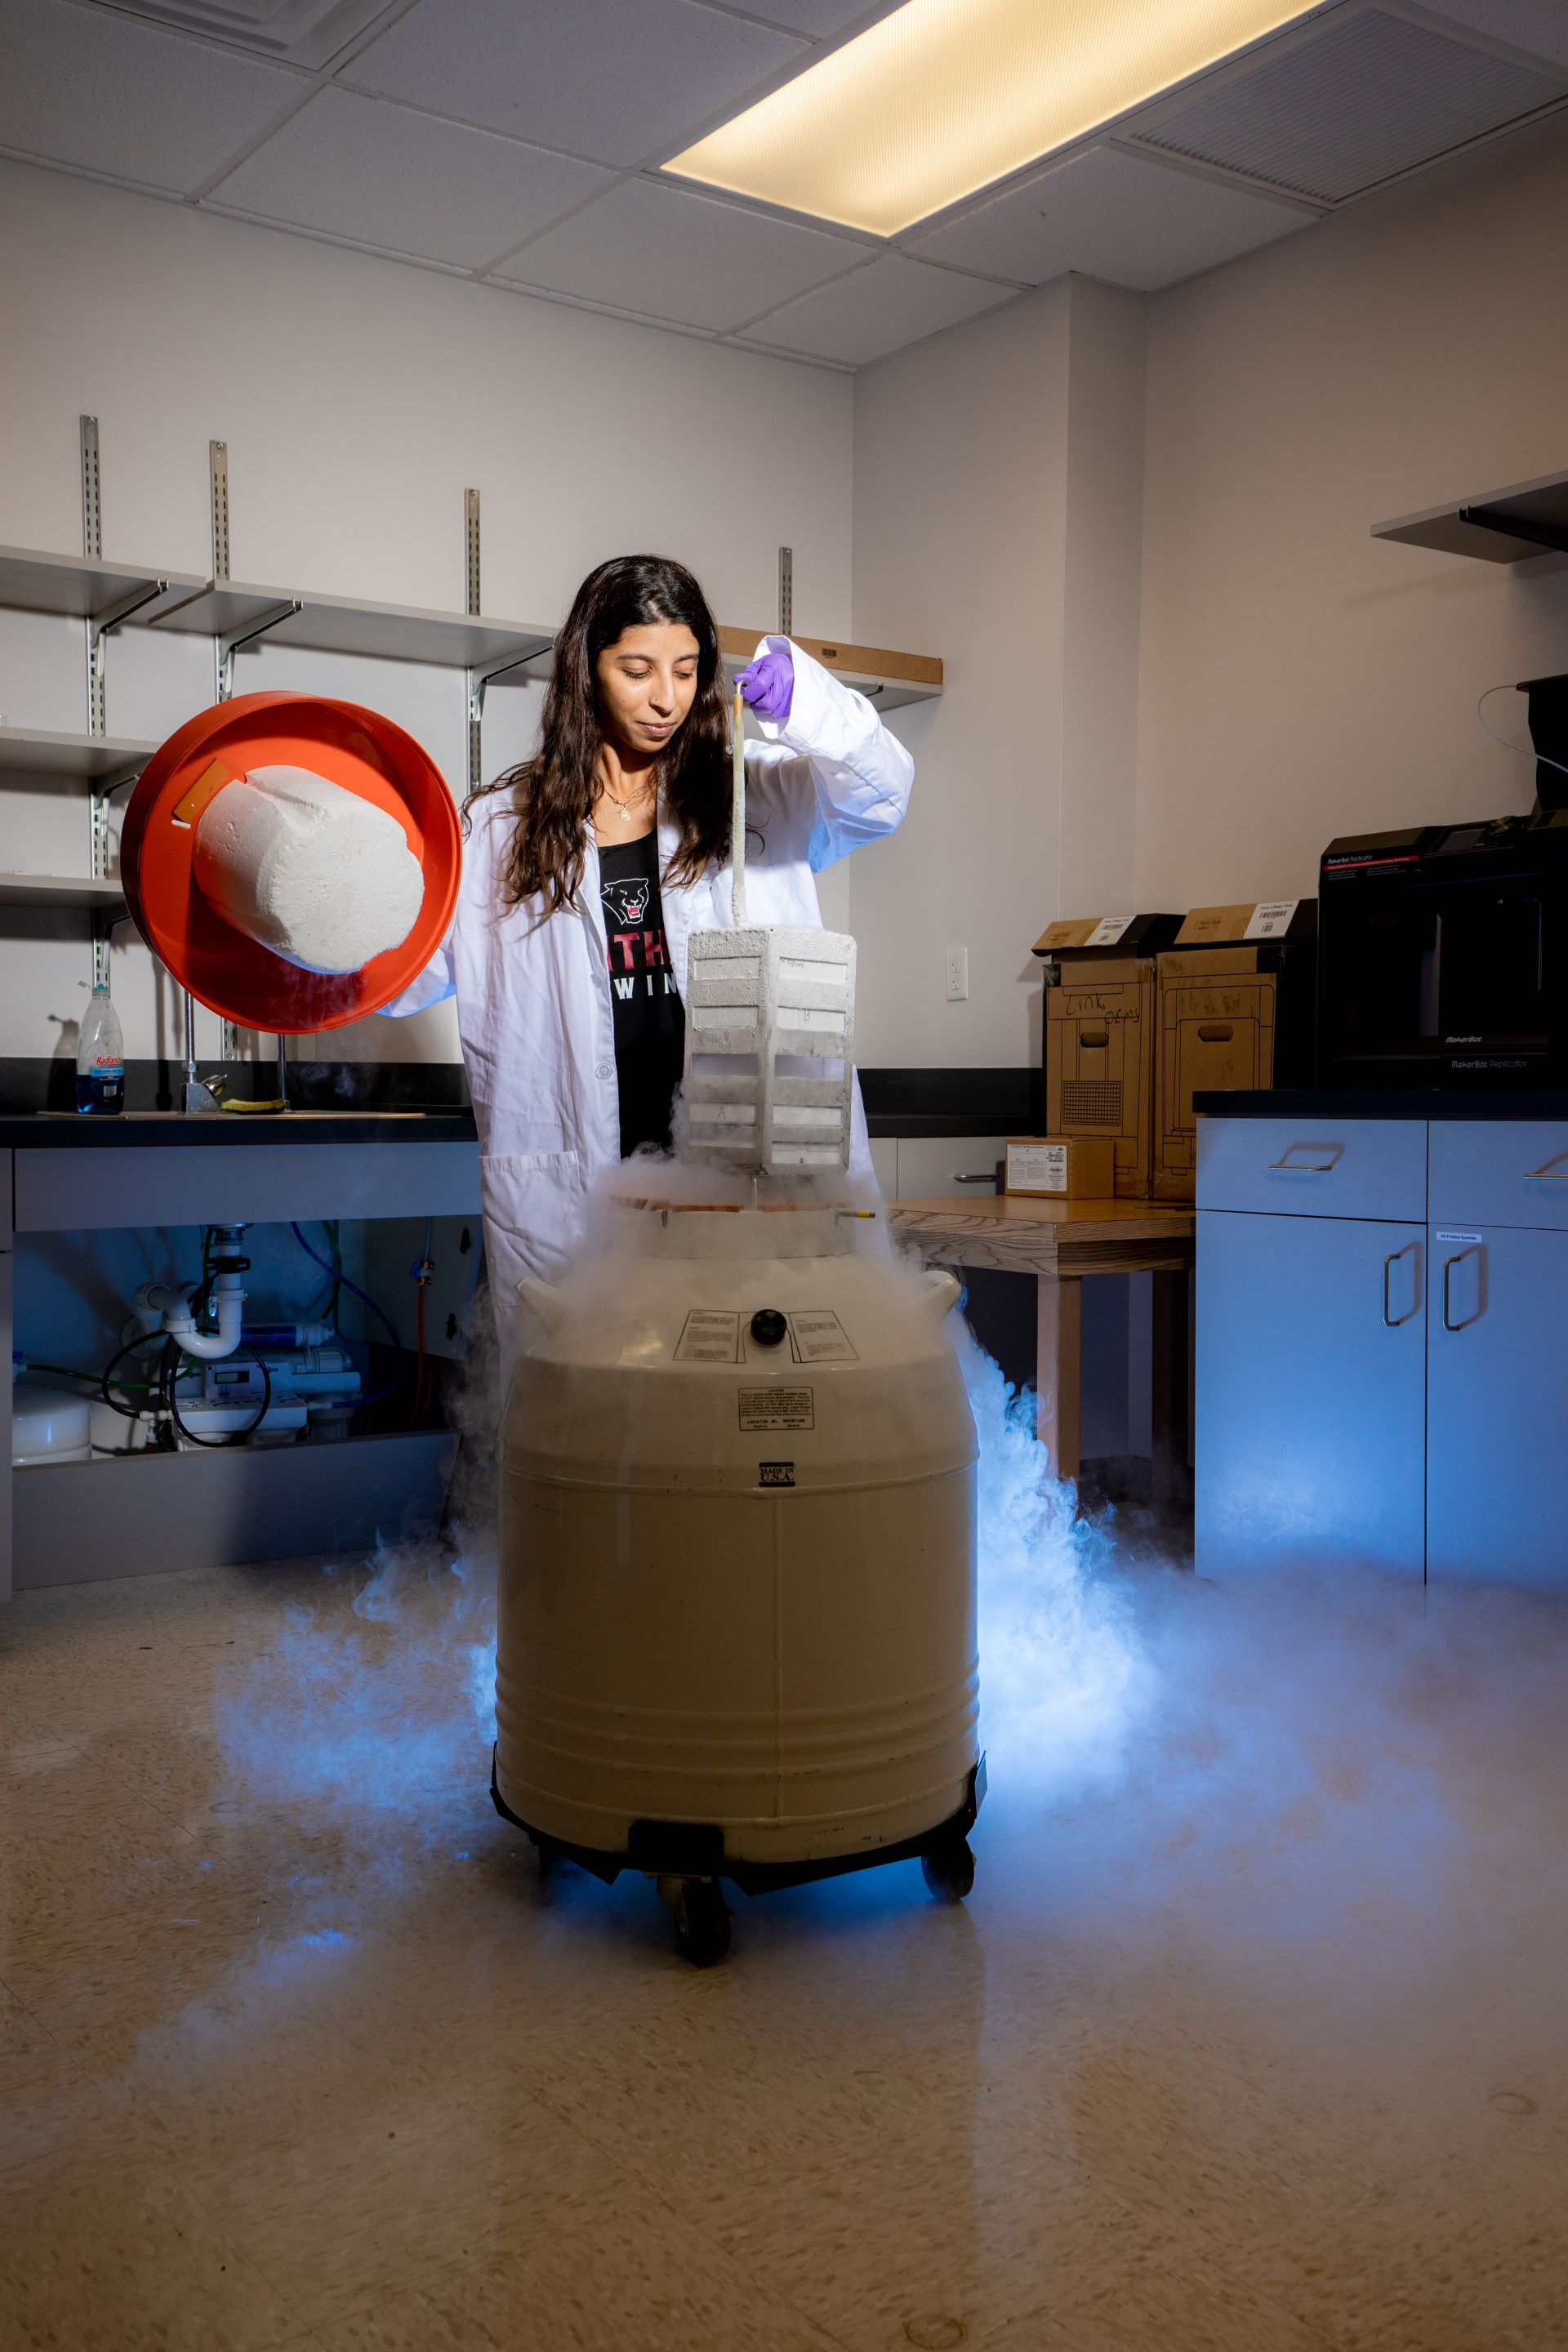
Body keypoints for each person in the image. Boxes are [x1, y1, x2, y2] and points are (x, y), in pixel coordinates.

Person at [388, 552, 913, 1366]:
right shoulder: (499, 831)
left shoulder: (756, 794)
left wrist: (812, 705)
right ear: (586, 670)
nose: (665, 697)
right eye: (636, 669)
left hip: (740, 1185)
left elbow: (883, 796)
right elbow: (404, 978)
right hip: (585, 1191)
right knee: (598, 1431)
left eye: (685, 669)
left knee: (765, 1415)